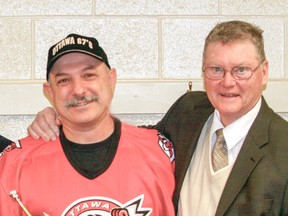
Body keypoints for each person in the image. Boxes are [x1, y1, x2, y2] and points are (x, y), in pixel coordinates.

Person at [28, 20, 288, 215]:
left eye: (241, 70)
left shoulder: (284, 148)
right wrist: (63, 115)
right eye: (216, 69)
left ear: (263, 73)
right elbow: (132, 141)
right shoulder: (189, 112)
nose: (227, 82)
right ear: (203, 72)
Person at [0, 33, 175, 215]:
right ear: (49, 92)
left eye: (89, 75)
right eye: (64, 80)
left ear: (111, 79)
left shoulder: (160, 152)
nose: (78, 90)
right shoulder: (14, 164)